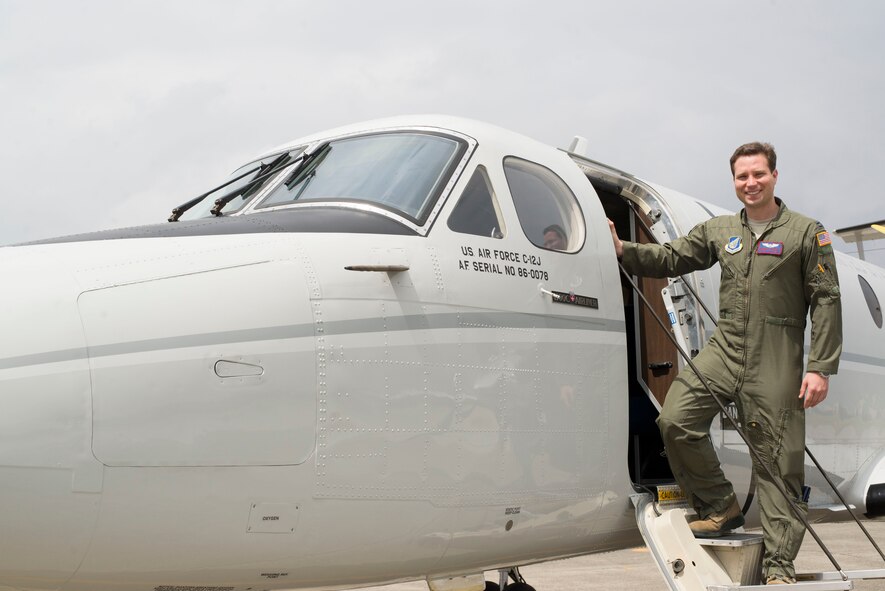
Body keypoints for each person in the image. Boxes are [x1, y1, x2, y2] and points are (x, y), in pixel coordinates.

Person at [608, 142, 842, 585]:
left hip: (777, 349)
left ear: (774, 176)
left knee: (777, 461)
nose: (750, 183)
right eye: (741, 176)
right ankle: (719, 508)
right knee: (676, 419)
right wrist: (624, 249)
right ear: (733, 181)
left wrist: (820, 367)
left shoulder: (807, 233)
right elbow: (672, 257)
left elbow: (827, 300)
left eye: (758, 174)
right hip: (727, 345)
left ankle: (778, 568)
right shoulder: (719, 230)